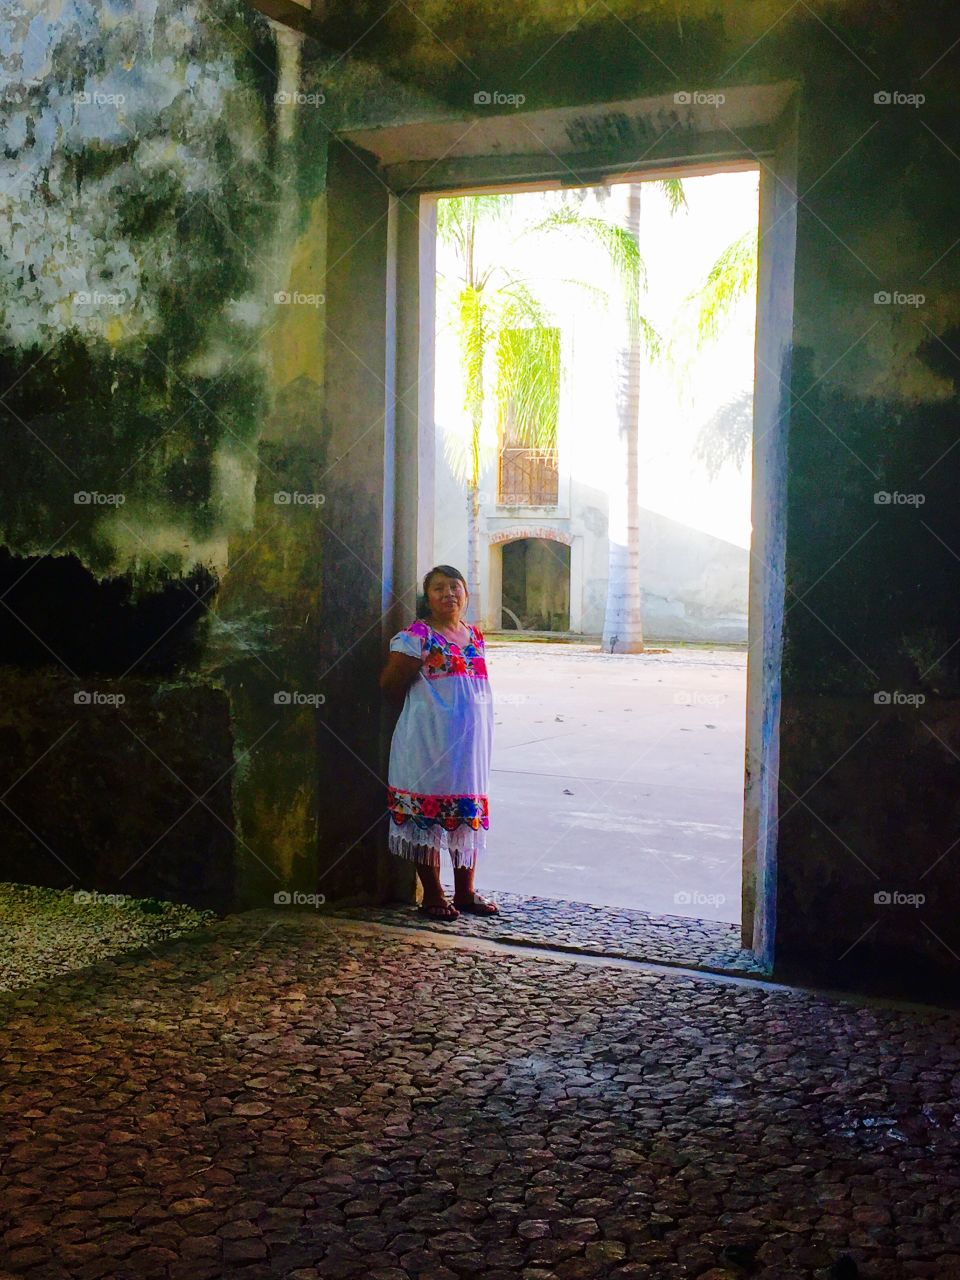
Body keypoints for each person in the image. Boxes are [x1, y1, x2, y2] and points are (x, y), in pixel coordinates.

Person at [379, 565, 499, 920]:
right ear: (426, 598)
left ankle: (465, 892)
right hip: (427, 742)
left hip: (470, 747)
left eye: (455, 586)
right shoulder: (417, 636)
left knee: (466, 812)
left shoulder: (475, 636)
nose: (449, 593)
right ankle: (432, 894)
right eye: (439, 588)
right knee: (427, 816)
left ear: (466, 593)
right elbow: (389, 684)